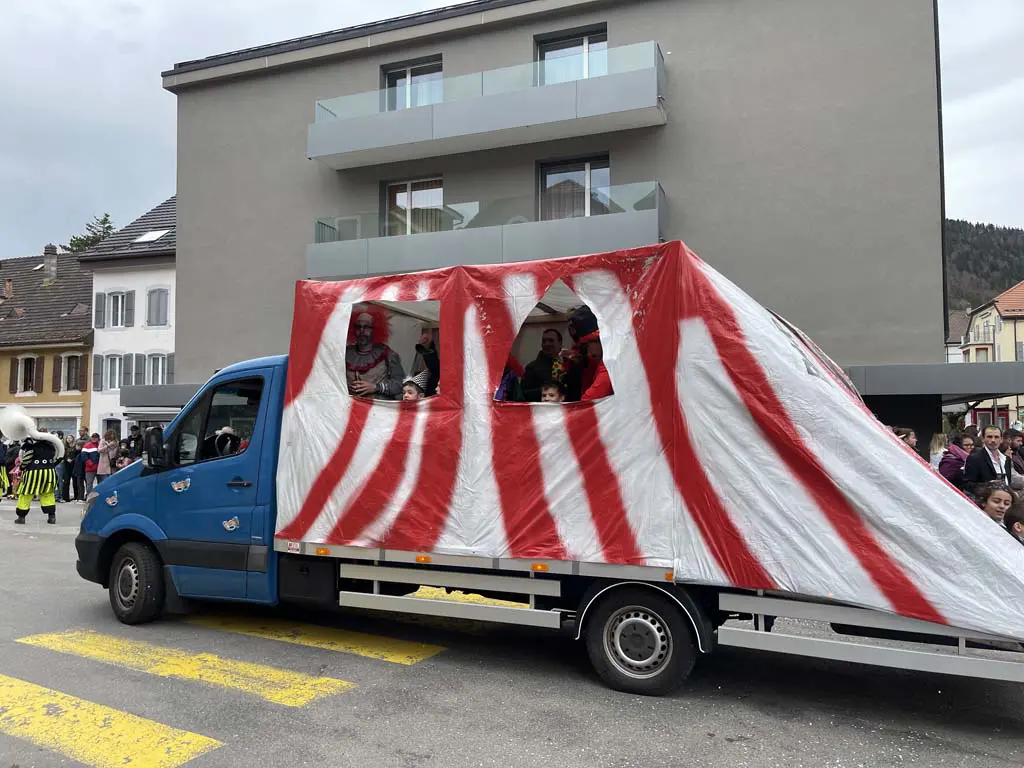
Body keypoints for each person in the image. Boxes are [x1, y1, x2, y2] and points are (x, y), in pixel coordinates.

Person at [346, 305, 405, 400]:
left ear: (375, 329)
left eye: (366, 327)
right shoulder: (346, 353)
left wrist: (376, 387)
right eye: (358, 327)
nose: (361, 331)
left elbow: (401, 383)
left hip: (377, 407)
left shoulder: (388, 354)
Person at [14, 428, 64, 525]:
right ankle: (51, 517)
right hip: (49, 472)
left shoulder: (31, 446)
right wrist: (52, 465)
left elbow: (26, 459)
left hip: (33, 472)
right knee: (47, 494)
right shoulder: (52, 447)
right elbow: (59, 457)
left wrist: (22, 467)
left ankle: (21, 517)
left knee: (26, 494)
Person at [964, 425, 1013, 496]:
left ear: (1001, 439)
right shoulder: (975, 458)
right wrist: (987, 486)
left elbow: (1008, 482)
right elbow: (967, 485)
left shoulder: (1006, 459)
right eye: (989, 437)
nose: (993, 440)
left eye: (996, 437)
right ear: (983, 439)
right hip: (985, 499)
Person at [522, 329, 563, 402]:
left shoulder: (569, 364)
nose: (547, 344)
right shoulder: (532, 367)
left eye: (551, 340)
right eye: (544, 341)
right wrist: (546, 391)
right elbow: (523, 394)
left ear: (560, 343)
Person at [60, 434, 79, 502]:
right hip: (66, 465)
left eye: (70, 438)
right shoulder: (64, 446)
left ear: (73, 439)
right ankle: (65, 497)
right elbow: (62, 455)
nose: (69, 439)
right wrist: (66, 459)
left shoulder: (75, 446)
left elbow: (78, 455)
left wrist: (73, 459)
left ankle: (76, 497)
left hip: (74, 465)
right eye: (68, 438)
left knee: (75, 481)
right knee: (66, 481)